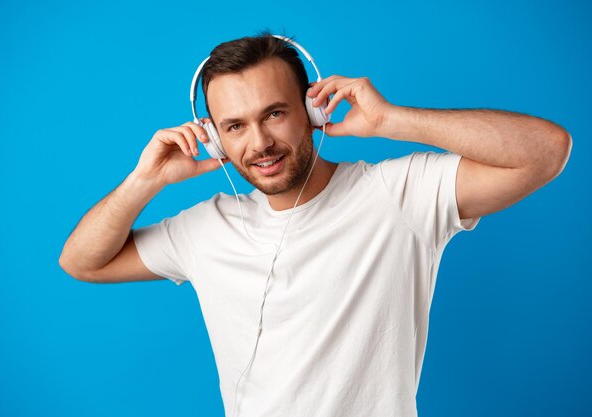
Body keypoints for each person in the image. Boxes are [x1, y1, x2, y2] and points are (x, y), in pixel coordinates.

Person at [59, 32, 572, 417]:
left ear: (311, 108)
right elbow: (80, 262)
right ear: (215, 137)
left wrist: (392, 121)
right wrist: (145, 180)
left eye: (275, 113)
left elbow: (545, 152)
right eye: (235, 126)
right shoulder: (204, 228)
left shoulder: (399, 195)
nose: (258, 142)